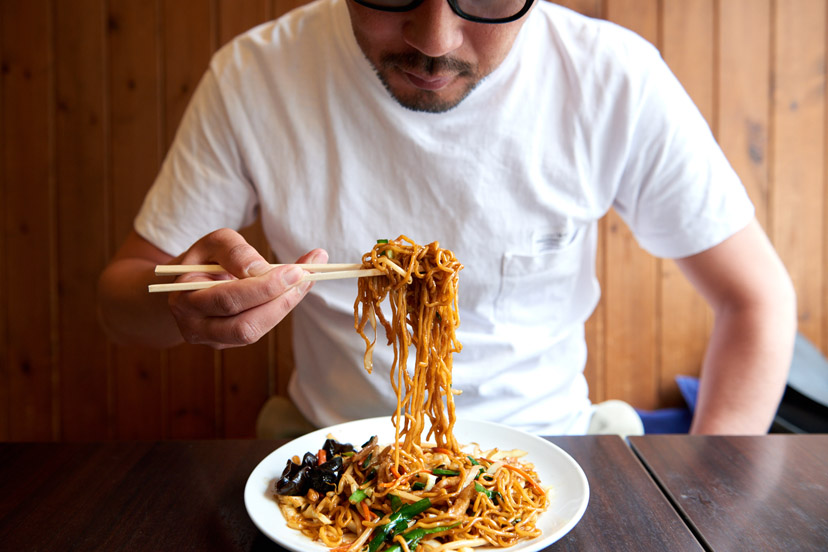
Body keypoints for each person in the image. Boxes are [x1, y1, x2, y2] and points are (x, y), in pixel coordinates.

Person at [97, 0, 797, 437]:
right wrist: (184, 307)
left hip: (549, 450)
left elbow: (757, 299)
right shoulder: (256, 76)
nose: (436, 37)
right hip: (335, 451)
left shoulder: (612, 79)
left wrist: (715, 491)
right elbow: (121, 299)